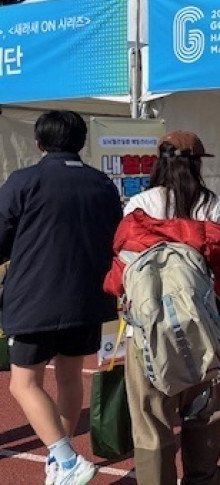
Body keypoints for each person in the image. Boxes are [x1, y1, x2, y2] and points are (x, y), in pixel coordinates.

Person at [103, 130, 220, 485]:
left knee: (151, 421)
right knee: (206, 414)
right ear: (198, 164)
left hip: (148, 331)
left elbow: (123, 271)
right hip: (204, 326)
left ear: (160, 163)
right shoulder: (214, 206)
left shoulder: (138, 205)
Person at [0, 110, 122, 485]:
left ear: (39, 143)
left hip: (34, 299)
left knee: (23, 383)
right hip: (88, 298)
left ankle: (66, 460)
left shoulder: (24, 181)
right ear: (81, 142)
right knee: (69, 377)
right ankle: (61, 456)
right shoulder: (102, 184)